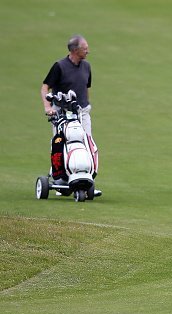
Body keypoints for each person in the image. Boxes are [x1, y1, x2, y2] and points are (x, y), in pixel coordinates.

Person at [41, 35, 101, 196]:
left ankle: (86, 180)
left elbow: (85, 87)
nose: (88, 50)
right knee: (60, 145)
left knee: (87, 144)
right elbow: (45, 87)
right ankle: (59, 179)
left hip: (82, 113)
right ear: (75, 50)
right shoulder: (59, 66)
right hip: (61, 113)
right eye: (85, 48)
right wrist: (48, 107)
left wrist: (85, 105)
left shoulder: (87, 66)